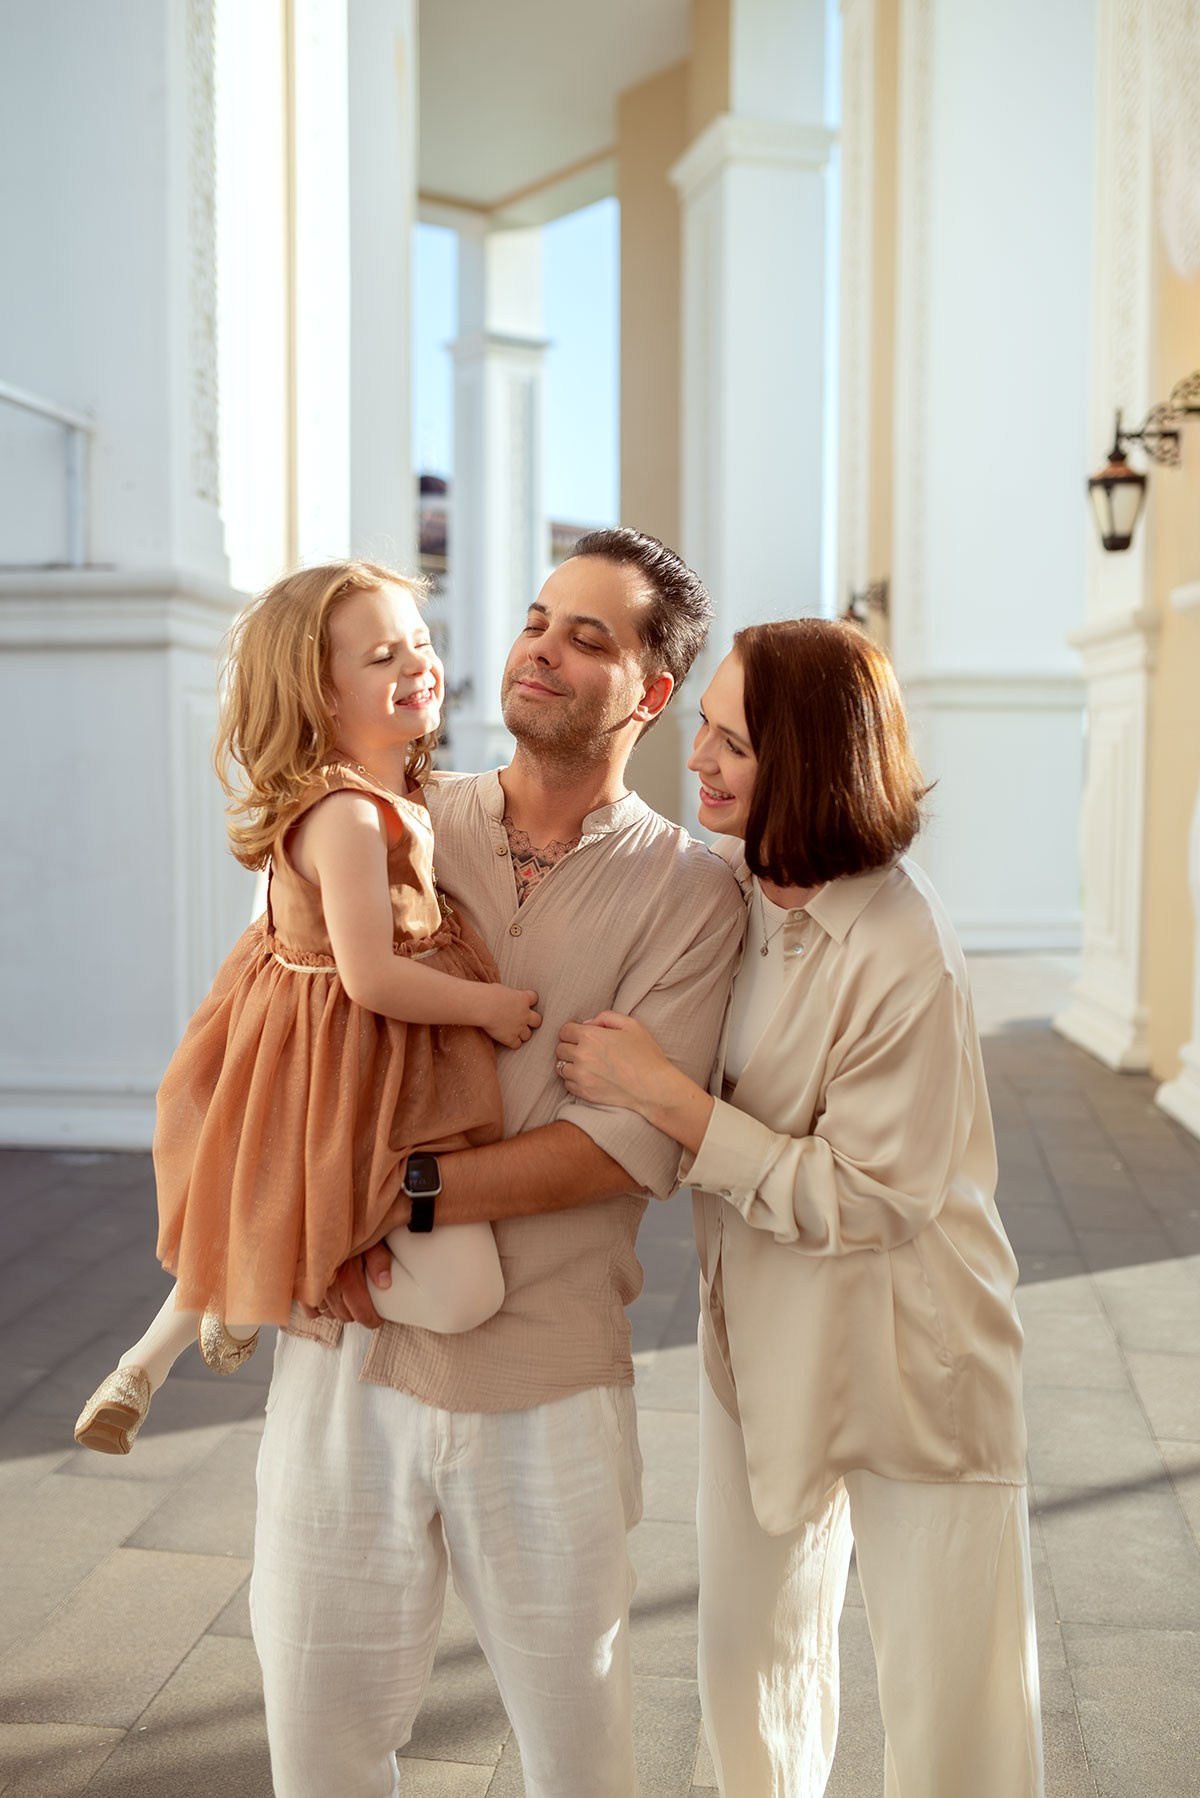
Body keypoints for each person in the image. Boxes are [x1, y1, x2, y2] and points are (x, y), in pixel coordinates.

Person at [249, 528, 745, 1798]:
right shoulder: (391, 817)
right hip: (347, 1354)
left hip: (548, 1377)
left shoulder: (695, 895)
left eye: (589, 636)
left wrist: (383, 1199)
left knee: (578, 1764)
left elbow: (618, 1148)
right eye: (536, 619)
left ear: (651, 690)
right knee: (320, 1750)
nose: (542, 648)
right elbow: (280, 1035)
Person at [556, 618, 1044, 1798]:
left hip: (912, 1355)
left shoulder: (905, 947)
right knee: (749, 1670)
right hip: (760, 1342)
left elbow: (871, 1194)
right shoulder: (726, 886)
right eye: (703, 728)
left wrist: (667, 1100)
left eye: (734, 743)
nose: (698, 759)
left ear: (816, 762)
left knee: (954, 1714)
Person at [73, 561, 541, 1456]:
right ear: (319, 695)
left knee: (266, 1197)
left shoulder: (376, 797)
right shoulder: (351, 818)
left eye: (422, 642)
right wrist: (485, 1007)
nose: (418, 664)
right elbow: (370, 980)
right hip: (357, 1056)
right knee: (452, 1285)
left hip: (314, 1046)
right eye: (381, 657)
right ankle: (270, 1288)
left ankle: (173, 1342)